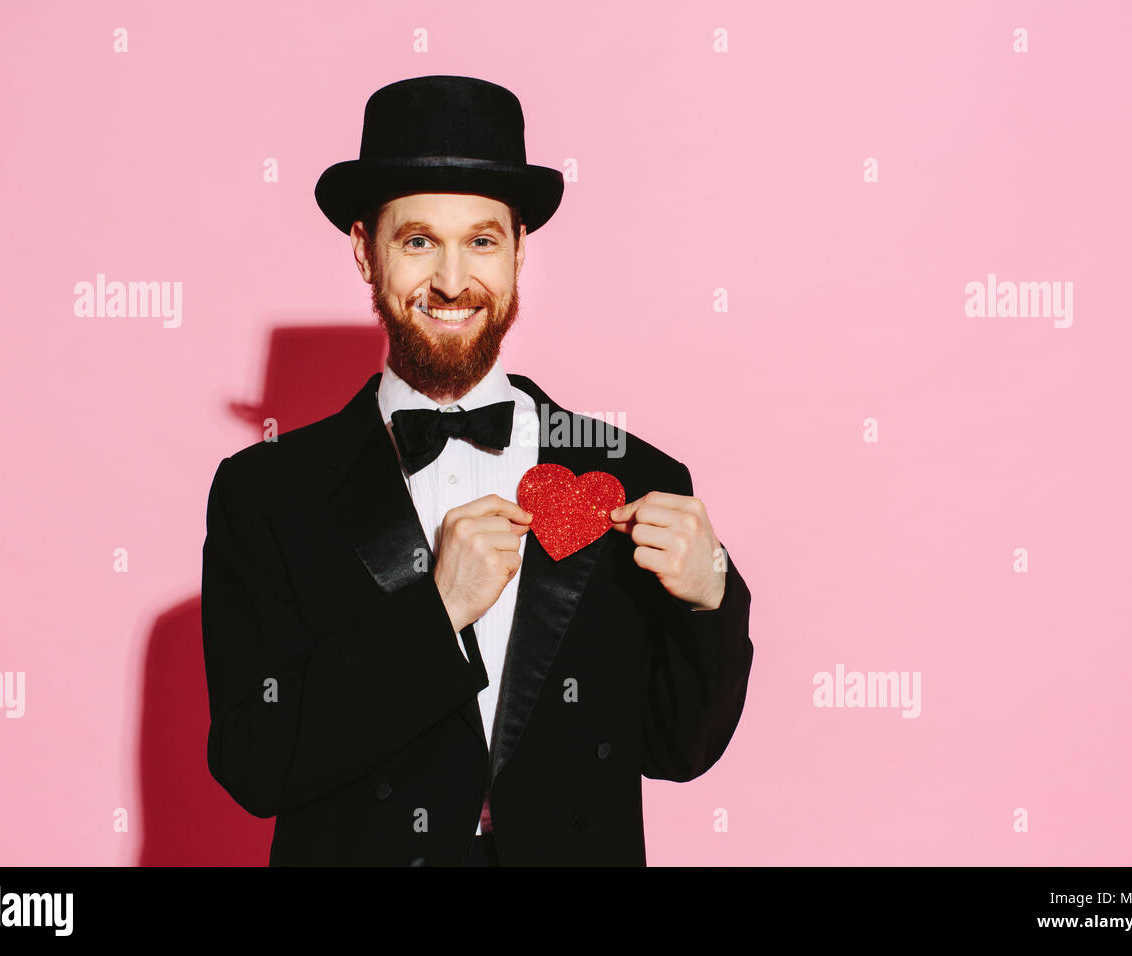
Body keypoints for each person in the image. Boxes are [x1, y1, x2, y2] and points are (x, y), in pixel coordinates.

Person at [200, 75, 753, 866]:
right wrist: (435, 612)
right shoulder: (266, 494)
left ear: (520, 250)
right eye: (419, 240)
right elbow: (256, 764)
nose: (454, 281)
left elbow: (676, 747)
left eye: (482, 242)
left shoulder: (631, 474)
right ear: (365, 250)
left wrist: (713, 596)